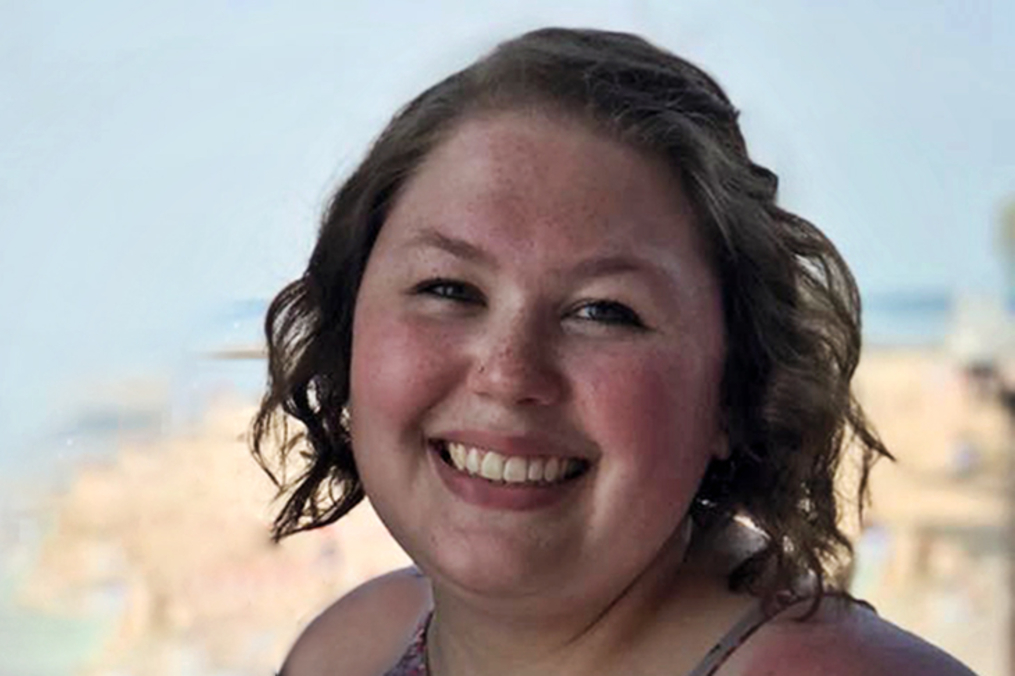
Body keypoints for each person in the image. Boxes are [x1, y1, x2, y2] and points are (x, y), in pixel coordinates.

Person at [251, 27, 975, 676]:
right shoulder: (349, 650)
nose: (507, 375)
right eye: (448, 289)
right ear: (349, 329)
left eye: (604, 312)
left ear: (734, 388)